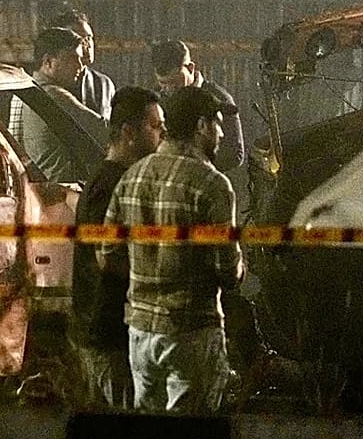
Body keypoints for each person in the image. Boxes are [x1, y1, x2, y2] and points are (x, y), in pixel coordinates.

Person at [103, 85, 244, 414]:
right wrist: (238, 268)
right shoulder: (212, 184)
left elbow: (108, 255)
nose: (221, 133)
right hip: (190, 332)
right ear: (201, 127)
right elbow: (228, 272)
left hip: (139, 334)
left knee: (146, 436)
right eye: (218, 124)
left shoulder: (132, 176)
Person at [72, 86, 165, 407]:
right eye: (154, 126)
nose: (162, 134)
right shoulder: (108, 184)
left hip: (116, 331)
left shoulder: (121, 178)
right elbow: (105, 260)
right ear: (128, 133)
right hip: (106, 333)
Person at [8, 26, 106, 183]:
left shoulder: (24, 92)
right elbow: (102, 130)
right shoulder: (53, 95)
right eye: (73, 59)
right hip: (61, 193)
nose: (80, 66)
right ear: (48, 62)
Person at [150, 38, 244, 171]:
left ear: (190, 68)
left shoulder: (219, 99)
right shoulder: (157, 100)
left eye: (174, 82)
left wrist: (191, 168)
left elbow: (234, 154)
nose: (168, 89)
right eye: (163, 83)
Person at [49, 8, 116, 121]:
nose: (88, 45)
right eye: (80, 40)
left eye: (89, 38)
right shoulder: (51, 83)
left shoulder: (104, 83)